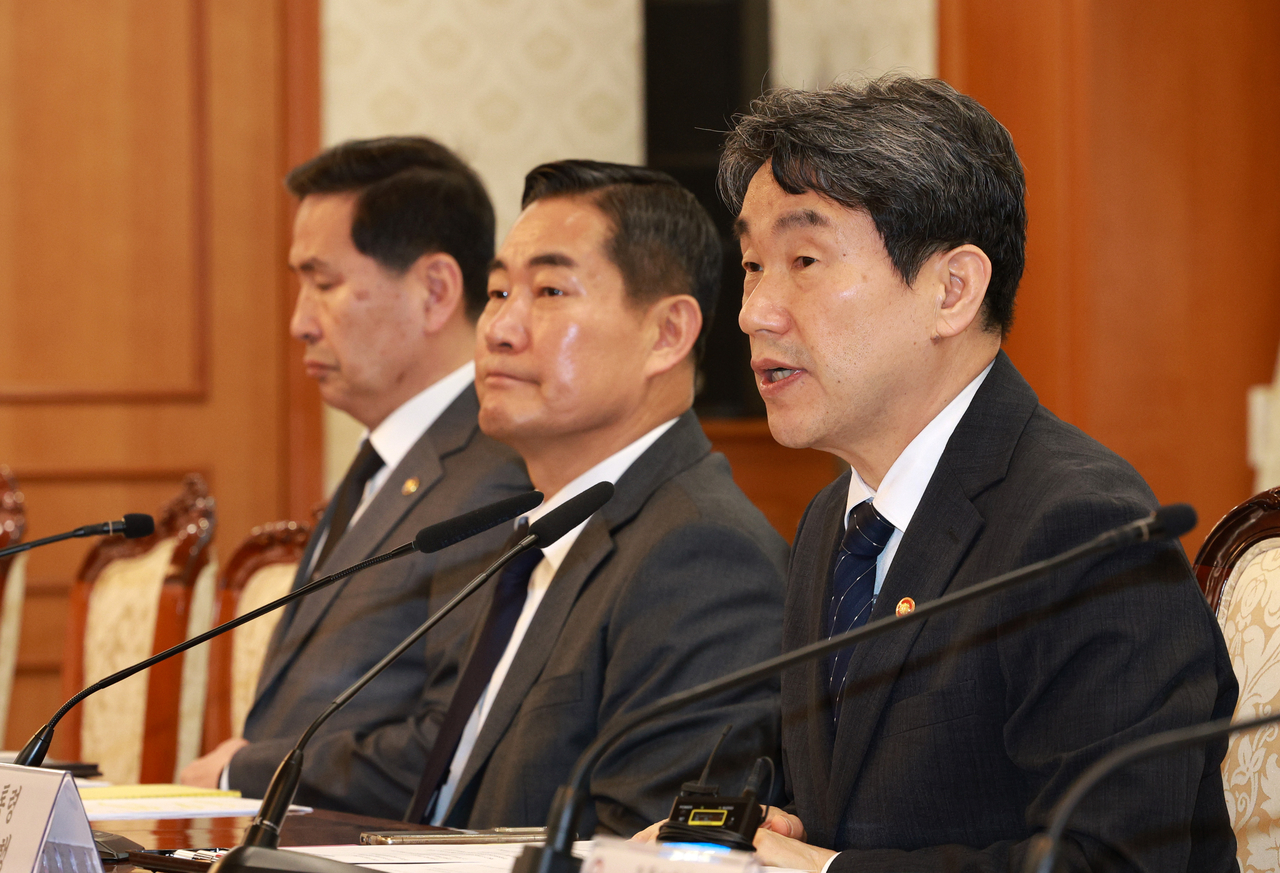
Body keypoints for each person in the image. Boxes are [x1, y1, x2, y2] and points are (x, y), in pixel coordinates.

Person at [707, 77, 1235, 871]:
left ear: (952, 290)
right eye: (752, 263)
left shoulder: (1082, 528)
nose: (755, 310)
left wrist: (825, 871)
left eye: (803, 259)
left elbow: (1113, 861)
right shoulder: (836, 522)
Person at [403, 159, 788, 837]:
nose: (498, 329)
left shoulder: (701, 556)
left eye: (549, 291)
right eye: (496, 292)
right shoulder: (527, 536)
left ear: (667, 333)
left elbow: (643, 847)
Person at [179, 137, 530, 807]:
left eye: (326, 283)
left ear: (434, 291)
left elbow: (445, 747)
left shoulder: (493, 475)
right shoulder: (387, 458)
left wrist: (241, 772)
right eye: (299, 283)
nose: (299, 322)